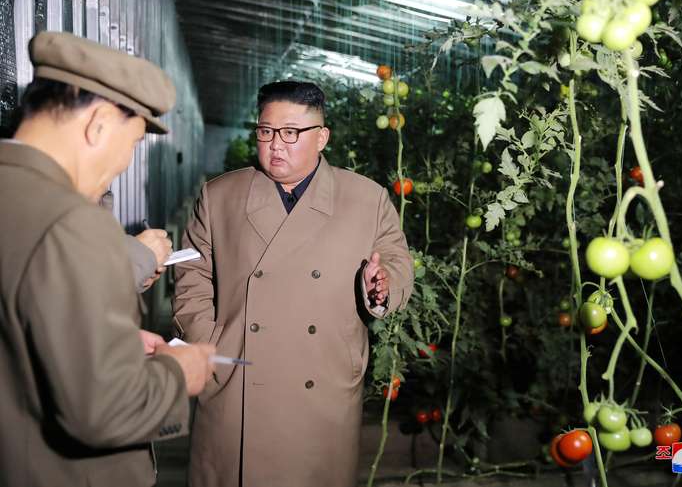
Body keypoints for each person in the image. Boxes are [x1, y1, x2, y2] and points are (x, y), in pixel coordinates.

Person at [0, 31, 215, 487]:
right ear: (97, 124)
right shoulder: (74, 222)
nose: (123, 164)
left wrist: (106, 341)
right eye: (133, 143)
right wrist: (178, 373)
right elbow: (104, 410)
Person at [173, 81, 415, 487]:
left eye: (290, 133)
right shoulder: (220, 196)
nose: (275, 145)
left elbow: (396, 261)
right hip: (238, 381)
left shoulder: (365, 199)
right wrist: (208, 343)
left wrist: (383, 285)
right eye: (266, 132)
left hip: (322, 381)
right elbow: (192, 274)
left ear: (322, 137)